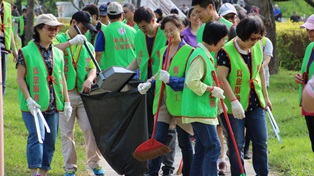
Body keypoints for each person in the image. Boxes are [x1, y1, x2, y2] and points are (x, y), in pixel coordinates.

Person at [138, 14, 194, 176]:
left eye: (172, 30)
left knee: (184, 142)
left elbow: (189, 80)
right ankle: (152, 172)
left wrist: (171, 80)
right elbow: (160, 73)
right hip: (163, 101)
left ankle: (188, 172)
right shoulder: (163, 51)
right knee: (158, 139)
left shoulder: (190, 52)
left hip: (180, 103)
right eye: (165, 31)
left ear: (180, 29)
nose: (169, 34)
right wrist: (149, 82)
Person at [16, 14, 71, 176]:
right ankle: (34, 172)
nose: (54, 32)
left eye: (56, 29)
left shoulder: (58, 53)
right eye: (50, 28)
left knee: (50, 141)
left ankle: (43, 172)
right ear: (39, 29)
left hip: (53, 104)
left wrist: (67, 102)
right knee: (37, 137)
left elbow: (61, 78)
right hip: (34, 105)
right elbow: (20, 78)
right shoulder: (25, 52)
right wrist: (29, 99)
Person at [217, 16, 272, 176]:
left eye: (258, 38)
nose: (255, 42)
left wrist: (266, 98)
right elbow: (221, 78)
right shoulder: (225, 51)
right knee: (237, 145)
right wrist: (233, 101)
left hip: (255, 104)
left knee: (261, 142)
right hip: (234, 108)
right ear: (242, 34)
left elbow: (260, 70)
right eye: (252, 38)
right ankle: (239, 173)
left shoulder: (257, 47)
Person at [53, 11, 105, 176]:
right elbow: (50, 51)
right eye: (82, 27)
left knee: (90, 129)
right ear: (73, 22)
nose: (84, 32)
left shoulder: (88, 46)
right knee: (67, 133)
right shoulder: (59, 39)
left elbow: (92, 67)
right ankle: (70, 167)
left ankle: (94, 163)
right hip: (64, 95)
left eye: (87, 29)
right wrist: (71, 43)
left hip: (83, 95)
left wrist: (90, 79)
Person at [128, 7, 176, 175]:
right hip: (145, 88)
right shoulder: (138, 35)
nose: (142, 30)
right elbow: (138, 58)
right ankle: (151, 167)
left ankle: (168, 166)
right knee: (150, 129)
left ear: (154, 20)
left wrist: (151, 81)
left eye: (144, 26)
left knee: (166, 129)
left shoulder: (165, 33)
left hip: (163, 87)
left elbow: (167, 62)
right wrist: (125, 73)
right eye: (139, 27)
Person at [182, 21, 228, 176]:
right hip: (199, 111)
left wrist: (219, 103)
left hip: (203, 110)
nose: (224, 43)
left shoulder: (205, 55)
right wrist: (211, 89)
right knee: (213, 147)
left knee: (202, 149)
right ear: (215, 39)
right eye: (223, 39)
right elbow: (192, 81)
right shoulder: (200, 56)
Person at [95, 1, 136, 71]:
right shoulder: (133, 30)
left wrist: (95, 70)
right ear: (121, 15)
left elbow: (98, 53)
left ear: (108, 15)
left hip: (113, 74)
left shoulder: (103, 31)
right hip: (132, 71)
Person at [294, 14, 314, 152]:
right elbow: (306, 71)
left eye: (312, 29)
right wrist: (299, 78)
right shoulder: (310, 47)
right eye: (307, 29)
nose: (309, 32)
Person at [0, 0, 18, 94]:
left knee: (2, 81)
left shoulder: (7, 7)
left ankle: (1, 106)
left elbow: (9, 28)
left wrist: (14, 49)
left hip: (4, 48)